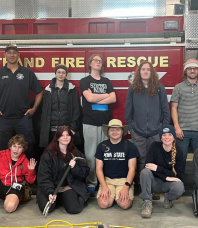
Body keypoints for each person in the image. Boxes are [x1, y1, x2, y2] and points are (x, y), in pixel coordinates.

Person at [0, 44, 43, 160]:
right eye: (9, 52)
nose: (12, 55)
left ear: (18, 55)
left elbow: (40, 92)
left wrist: (34, 108)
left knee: (29, 146)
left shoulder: (27, 72)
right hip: (3, 118)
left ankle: (30, 175)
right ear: (5, 55)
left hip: (23, 118)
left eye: (14, 52)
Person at [80, 54, 116, 196]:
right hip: (89, 123)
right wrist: (104, 96)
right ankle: (91, 183)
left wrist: (95, 98)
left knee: (104, 155)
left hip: (105, 124)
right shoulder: (84, 80)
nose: (98, 62)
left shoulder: (106, 81)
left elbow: (113, 98)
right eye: (95, 60)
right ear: (90, 64)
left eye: (100, 61)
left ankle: (103, 183)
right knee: (90, 155)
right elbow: (88, 98)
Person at [124, 61, 170, 173]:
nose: (146, 71)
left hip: (156, 132)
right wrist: (132, 127)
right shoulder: (133, 89)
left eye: (148, 69)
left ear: (152, 72)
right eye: (143, 69)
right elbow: (128, 111)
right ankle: (142, 185)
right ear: (139, 72)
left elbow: (165, 109)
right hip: (138, 132)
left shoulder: (159, 88)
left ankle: (154, 185)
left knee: (155, 159)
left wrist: (162, 128)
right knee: (140, 159)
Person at [171, 58, 198, 172]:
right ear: (186, 71)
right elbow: (174, 108)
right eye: (190, 68)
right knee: (180, 160)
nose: (192, 71)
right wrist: (177, 127)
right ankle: (179, 187)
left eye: (195, 68)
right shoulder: (178, 88)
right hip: (182, 131)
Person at [37, 126, 89, 215]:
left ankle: (78, 197)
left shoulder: (76, 153)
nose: (65, 137)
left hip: (67, 187)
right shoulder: (48, 154)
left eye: (67, 135)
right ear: (57, 138)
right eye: (62, 135)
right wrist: (50, 191)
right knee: (46, 208)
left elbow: (84, 173)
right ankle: (57, 200)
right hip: (52, 188)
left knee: (74, 209)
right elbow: (44, 176)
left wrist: (74, 167)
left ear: (71, 137)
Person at [140, 125, 185, 218]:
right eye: (164, 135)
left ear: (173, 137)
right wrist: (166, 176)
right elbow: (148, 166)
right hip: (154, 182)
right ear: (161, 137)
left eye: (169, 134)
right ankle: (147, 202)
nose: (167, 137)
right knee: (145, 172)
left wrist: (158, 168)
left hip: (167, 184)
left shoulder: (179, 152)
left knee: (179, 186)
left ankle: (168, 198)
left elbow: (179, 175)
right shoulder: (154, 146)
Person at [95, 119, 139, 210]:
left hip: (124, 180)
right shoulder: (102, 146)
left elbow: (132, 169)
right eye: (112, 129)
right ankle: (113, 196)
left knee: (124, 204)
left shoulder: (130, 146)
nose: (115, 132)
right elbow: (98, 168)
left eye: (118, 129)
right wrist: (103, 186)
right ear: (108, 132)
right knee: (103, 204)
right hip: (107, 180)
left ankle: (117, 196)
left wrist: (126, 188)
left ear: (122, 131)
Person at [40, 64, 81, 148]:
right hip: (52, 130)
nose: (61, 74)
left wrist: (73, 128)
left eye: (63, 72)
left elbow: (76, 109)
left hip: (67, 130)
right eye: (58, 72)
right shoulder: (48, 90)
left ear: (66, 74)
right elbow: (45, 112)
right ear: (55, 73)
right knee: (52, 153)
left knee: (66, 154)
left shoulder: (71, 89)